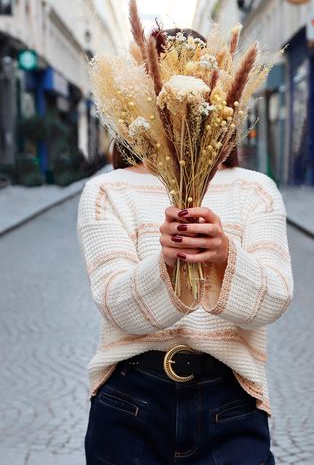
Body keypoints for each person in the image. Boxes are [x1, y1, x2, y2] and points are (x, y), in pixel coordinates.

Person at [77, 29, 294, 464]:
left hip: (230, 399)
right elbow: (117, 306)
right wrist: (167, 262)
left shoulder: (257, 191)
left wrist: (224, 257)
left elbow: (274, 298)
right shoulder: (106, 192)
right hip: (130, 399)